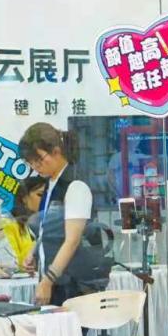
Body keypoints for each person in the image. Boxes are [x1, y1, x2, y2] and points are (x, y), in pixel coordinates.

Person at [18, 122, 100, 306]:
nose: (35, 166)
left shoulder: (75, 185)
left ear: (56, 151)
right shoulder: (50, 184)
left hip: (73, 283)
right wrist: (35, 252)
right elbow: (51, 230)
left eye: (38, 159)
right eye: (30, 162)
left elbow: (72, 240)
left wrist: (48, 281)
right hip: (58, 280)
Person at [4, 176, 46, 270]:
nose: (45, 200)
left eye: (49, 196)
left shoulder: (52, 224)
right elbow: (12, 263)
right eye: (40, 195)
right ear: (24, 198)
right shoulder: (9, 224)